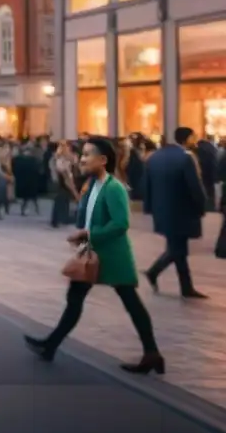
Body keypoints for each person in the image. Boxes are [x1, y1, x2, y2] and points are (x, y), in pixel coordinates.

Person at [25, 135, 163, 373]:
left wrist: (89, 235)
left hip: (112, 255)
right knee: (75, 298)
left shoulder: (113, 187)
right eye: (83, 154)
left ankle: (152, 353)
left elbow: (120, 223)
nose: (82, 159)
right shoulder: (93, 186)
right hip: (91, 252)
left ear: (102, 160)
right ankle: (50, 344)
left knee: (131, 302)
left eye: (88, 155)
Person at [143, 127, 208, 299]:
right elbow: (195, 187)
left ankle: (185, 287)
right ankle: (154, 272)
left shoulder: (154, 157)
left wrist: (149, 208)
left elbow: (147, 186)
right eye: (193, 137)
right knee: (177, 249)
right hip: (182, 212)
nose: (195, 140)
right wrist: (202, 206)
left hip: (162, 211)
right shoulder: (186, 158)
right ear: (186, 139)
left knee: (177, 249)